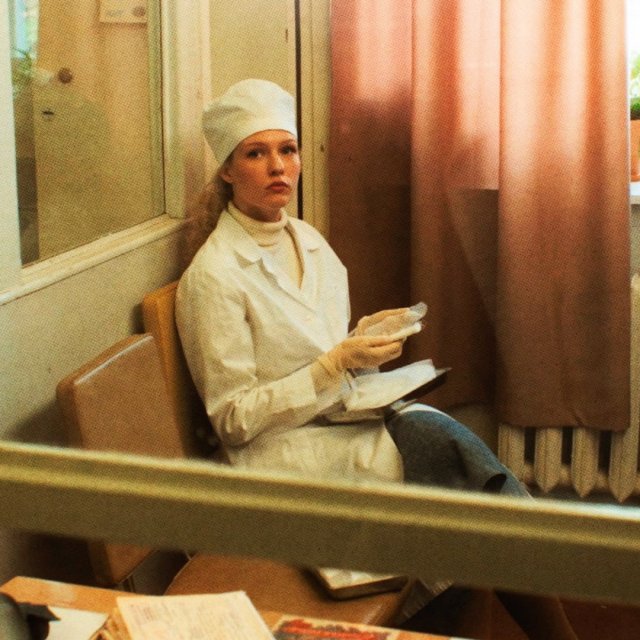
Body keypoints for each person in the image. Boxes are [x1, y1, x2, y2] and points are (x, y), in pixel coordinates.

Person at [175, 79, 578, 640]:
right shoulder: (214, 277)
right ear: (226, 170)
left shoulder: (307, 242)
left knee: (453, 457)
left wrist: (361, 343)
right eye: (256, 154)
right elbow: (233, 421)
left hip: (337, 421)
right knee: (455, 465)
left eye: (287, 149)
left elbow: (319, 349)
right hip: (278, 454)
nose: (278, 167)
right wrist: (334, 364)